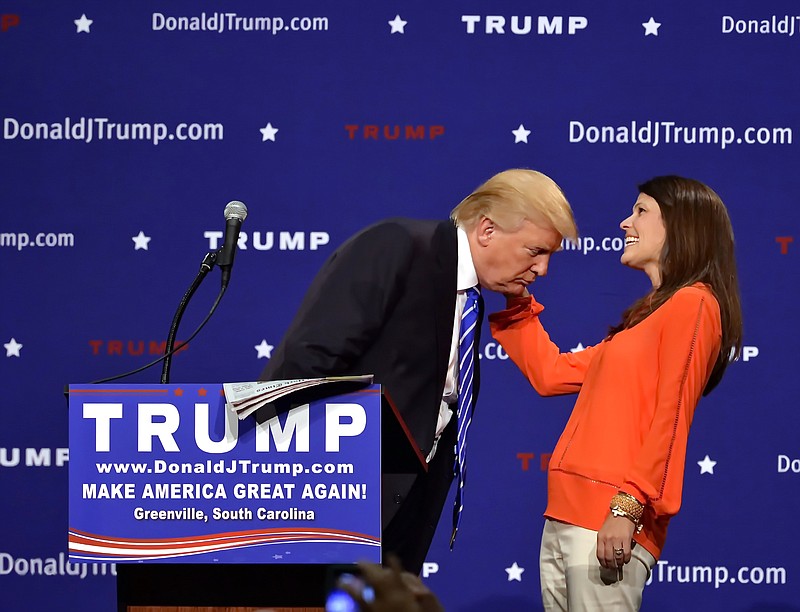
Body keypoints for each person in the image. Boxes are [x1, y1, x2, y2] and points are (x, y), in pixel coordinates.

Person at [260, 168, 578, 574]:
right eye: (535, 251)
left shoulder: (469, 294)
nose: (543, 269)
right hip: (341, 490)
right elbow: (307, 360)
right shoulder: (398, 247)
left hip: (409, 498)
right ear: (487, 230)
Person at [489, 176, 743, 610]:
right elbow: (551, 374)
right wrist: (517, 302)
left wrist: (627, 509)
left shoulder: (696, 304)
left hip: (610, 517)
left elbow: (672, 414)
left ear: (682, 225)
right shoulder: (643, 324)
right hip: (565, 516)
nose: (626, 222)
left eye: (641, 211)